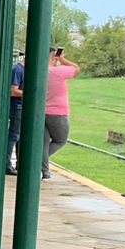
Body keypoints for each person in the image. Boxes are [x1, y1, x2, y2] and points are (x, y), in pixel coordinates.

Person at [44, 47, 78, 180]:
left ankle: (44, 170)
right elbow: (76, 68)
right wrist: (63, 60)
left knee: (44, 141)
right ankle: (36, 162)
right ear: (54, 57)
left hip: (41, 112)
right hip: (58, 113)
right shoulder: (58, 72)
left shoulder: (39, 71)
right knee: (60, 140)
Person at [6, 52, 25, 175]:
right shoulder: (18, 70)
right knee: (14, 135)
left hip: (20, 107)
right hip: (17, 107)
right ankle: (7, 164)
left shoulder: (20, 69)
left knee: (19, 136)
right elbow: (13, 91)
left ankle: (19, 164)